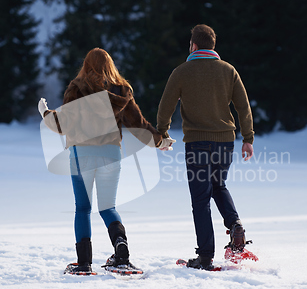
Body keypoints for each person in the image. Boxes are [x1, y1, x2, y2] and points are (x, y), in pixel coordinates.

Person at [38, 48, 175, 274]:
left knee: (83, 208)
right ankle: (121, 254)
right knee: (108, 207)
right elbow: (138, 123)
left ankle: (83, 264)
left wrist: (45, 113)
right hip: (111, 153)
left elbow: (62, 124)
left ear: (86, 65)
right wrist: (159, 141)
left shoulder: (77, 88)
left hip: (82, 154)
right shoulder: (122, 91)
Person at [157, 24, 254, 270]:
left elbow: (166, 105)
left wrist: (162, 132)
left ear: (194, 46)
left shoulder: (181, 72)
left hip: (197, 143)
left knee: (200, 199)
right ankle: (235, 226)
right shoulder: (228, 71)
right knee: (218, 185)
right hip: (226, 141)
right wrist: (248, 138)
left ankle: (205, 257)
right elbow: (243, 107)